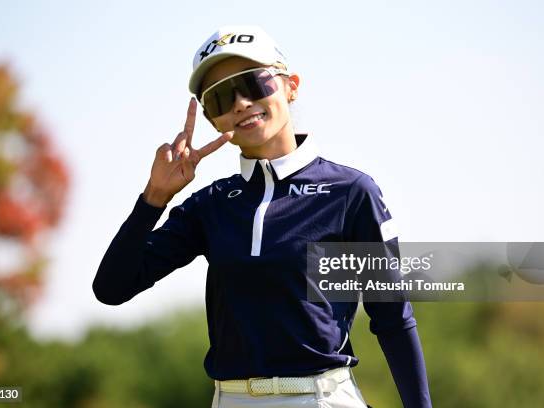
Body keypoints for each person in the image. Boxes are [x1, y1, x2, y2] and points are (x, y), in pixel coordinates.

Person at [93, 25, 432, 408]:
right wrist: (153, 199)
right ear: (212, 119)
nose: (240, 103)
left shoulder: (351, 193)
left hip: (322, 399)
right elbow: (112, 288)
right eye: (220, 97)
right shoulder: (211, 205)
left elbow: (392, 319)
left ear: (291, 86)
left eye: (253, 84)